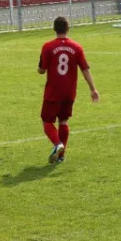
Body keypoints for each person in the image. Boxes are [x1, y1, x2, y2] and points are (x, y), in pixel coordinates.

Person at [38, 16, 99, 164]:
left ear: (54, 29)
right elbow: (85, 69)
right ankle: (61, 155)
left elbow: (41, 70)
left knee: (47, 122)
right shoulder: (76, 47)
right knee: (63, 121)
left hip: (53, 92)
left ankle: (58, 144)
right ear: (68, 29)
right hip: (69, 92)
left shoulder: (48, 46)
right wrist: (93, 89)